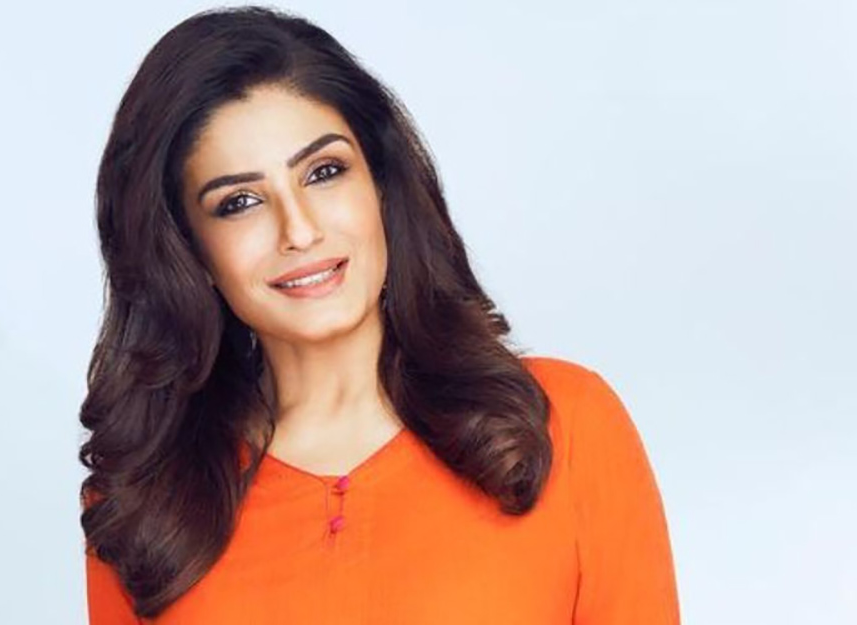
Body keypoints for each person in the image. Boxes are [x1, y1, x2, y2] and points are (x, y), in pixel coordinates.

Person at [79, 5, 680, 624]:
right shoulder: (146, 502)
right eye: (240, 202)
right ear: (188, 248)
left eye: (324, 172)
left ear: (381, 186)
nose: (299, 230)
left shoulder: (562, 425)